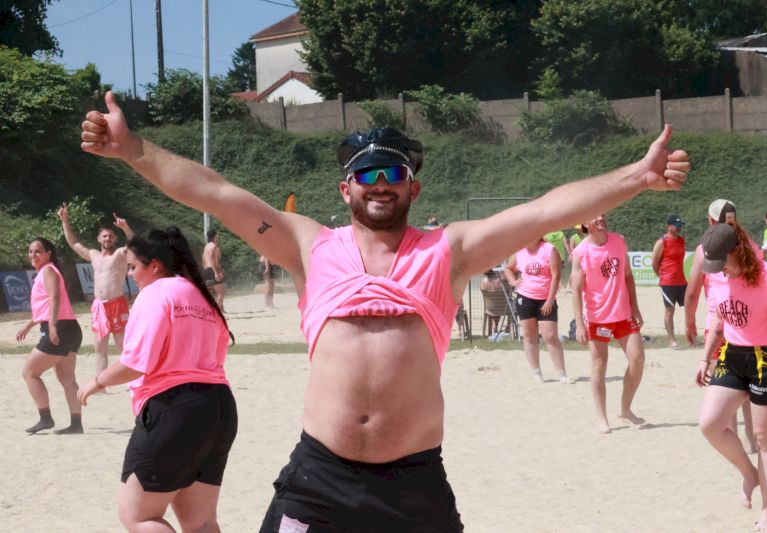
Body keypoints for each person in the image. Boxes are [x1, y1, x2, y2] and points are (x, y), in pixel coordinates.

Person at [80, 91, 689, 531]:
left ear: (412, 187)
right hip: (319, 478)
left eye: (393, 171)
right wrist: (134, 150)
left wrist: (637, 176)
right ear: (345, 187)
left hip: (414, 482)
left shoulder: (447, 251)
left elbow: (545, 211)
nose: (380, 182)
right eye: (365, 172)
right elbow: (215, 193)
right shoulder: (309, 246)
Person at [77, 227, 238, 532]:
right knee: (201, 522)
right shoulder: (203, 296)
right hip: (220, 406)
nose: (131, 275)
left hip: (175, 408)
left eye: (133, 267)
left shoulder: (155, 293)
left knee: (138, 516)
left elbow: (136, 363)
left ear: (154, 265)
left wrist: (97, 381)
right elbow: (217, 359)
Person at [695, 222, 767, 531]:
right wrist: (705, 357)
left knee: (766, 439)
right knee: (710, 424)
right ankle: (750, 474)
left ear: (738, 251)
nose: (720, 270)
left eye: (723, 262)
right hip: (732, 354)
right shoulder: (718, 276)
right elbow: (719, 320)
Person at [685, 199, 758, 453]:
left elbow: (692, 292)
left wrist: (689, 323)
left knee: (727, 385)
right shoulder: (750, 246)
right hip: (747, 322)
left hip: (717, 323)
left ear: (710, 220)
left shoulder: (704, 249)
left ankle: (734, 438)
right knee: (749, 386)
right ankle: (752, 439)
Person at [571, 214, 646, 433]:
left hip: (623, 314)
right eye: (595, 216)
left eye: (603, 214)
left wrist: (635, 307)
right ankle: (602, 418)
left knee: (638, 359)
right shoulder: (581, 252)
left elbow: (628, 277)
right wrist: (579, 324)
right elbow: (576, 291)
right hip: (598, 318)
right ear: (586, 223)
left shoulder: (619, 241)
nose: (601, 218)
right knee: (599, 365)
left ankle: (625, 409)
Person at [17, 237, 83, 434]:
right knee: (68, 379)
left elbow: (55, 299)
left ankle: (45, 419)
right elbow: (46, 306)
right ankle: (76, 424)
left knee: (30, 373)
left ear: (48, 253)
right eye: (31, 251)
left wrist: (52, 327)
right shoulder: (47, 271)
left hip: (60, 327)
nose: (33, 255)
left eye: (38, 251)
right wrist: (30, 324)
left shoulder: (48, 270)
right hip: (70, 328)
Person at [59, 203, 133, 376]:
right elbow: (74, 243)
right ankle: (101, 384)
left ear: (115, 239)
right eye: (104, 236)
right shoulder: (93, 255)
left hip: (117, 304)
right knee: (100, 347)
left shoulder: (120, 254)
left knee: (123, 346)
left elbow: (136, 245)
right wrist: (65, 221)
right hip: (99, 306)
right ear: (99, 239)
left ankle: (134, 382)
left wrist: (125, 228)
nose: (107, 238)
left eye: (111, 236)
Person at [504, 238, 571, 383]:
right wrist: (513, 281)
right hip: (525, 298)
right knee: (529, 335)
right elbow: (508, 269)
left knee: (550, 336)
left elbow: (556, 276)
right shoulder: (519, 250)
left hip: (545, 299)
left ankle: (562, 374)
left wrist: (550, 300)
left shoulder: (549, 249)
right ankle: (536, 372)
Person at [651, 214, 687, 349]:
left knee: (690, 309)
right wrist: (662, 277)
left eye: (680, 226)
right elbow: (654, 263)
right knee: (669, 311)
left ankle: (692, 337)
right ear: (669, 226)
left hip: (682, 281)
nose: (679, 228)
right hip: (668, 282)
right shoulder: (662, 242)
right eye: (677, 226)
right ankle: (672, 340)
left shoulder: (682, 241)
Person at [202, 228, 225, 313]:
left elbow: (203, 259)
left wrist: (205, 269)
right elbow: (213, 260)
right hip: (212, 270)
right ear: (215, 236)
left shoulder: (206, 246)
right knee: (220, 292)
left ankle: (217, 310)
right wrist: (216, 272)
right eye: (217, 234)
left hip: (206, 270)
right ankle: (216, 312)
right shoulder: (214, 246)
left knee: (211, 293)